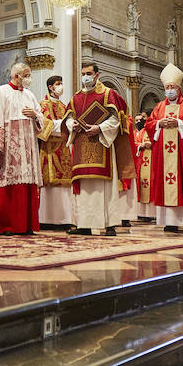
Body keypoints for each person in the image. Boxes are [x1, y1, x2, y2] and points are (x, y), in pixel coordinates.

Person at [67, 61, 134, 235]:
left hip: (101, 143)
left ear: (97, 75)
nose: (85, 77)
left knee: (104, 186)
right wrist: (71, 125)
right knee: (84, 187)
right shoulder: (76, 97)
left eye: (88, 74)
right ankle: (83, 225)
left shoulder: (107, 94)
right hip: (82, 144)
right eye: (83, 74)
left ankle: (109, 224)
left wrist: (100, 128)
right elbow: (68, 117)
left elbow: (117, 119)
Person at [0, 61, 45, 235]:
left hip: (28, 149)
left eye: (29, 75)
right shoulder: (1, 92)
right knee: (8, 182)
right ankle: (6, 224)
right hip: (9, 148)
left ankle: (25, 224)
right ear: (16, 75)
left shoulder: (30, 95)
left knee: (25, 183)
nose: (28, 78)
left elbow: (40, 120)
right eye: (26, 75)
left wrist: (35, 116)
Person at [145, 64, 183, 233]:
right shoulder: (159, 108)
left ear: (179, 89)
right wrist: (159, 123)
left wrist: (179, 123)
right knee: (167, 185)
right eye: (167, 87)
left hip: (182, 156)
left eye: (172, 87)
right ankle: (170, 221)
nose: (170, 90)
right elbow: (149, 124)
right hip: (164, 158)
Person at [37, 75, 74, 228]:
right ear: (50, 87)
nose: (61, 86)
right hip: (49, 149)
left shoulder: (64, 105)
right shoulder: (43, 105)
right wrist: (63, 124)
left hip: (63, 147)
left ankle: (64, 219)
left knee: (64, 185)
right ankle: (47, 219)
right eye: (58, 84)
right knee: (50, 185)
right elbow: (43, 124)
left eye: (61, 83)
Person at [132, 111, 156, 222]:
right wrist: (141, 145)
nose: (139, 121)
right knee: (140, 185)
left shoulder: (152, 130)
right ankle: (141, 213)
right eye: (137, 120)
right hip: (139, 162)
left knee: (151, 184)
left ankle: (152, 213)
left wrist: (151, 145)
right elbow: (133, 144)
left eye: (142, 118)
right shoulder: (137, 132)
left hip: (150, 161)